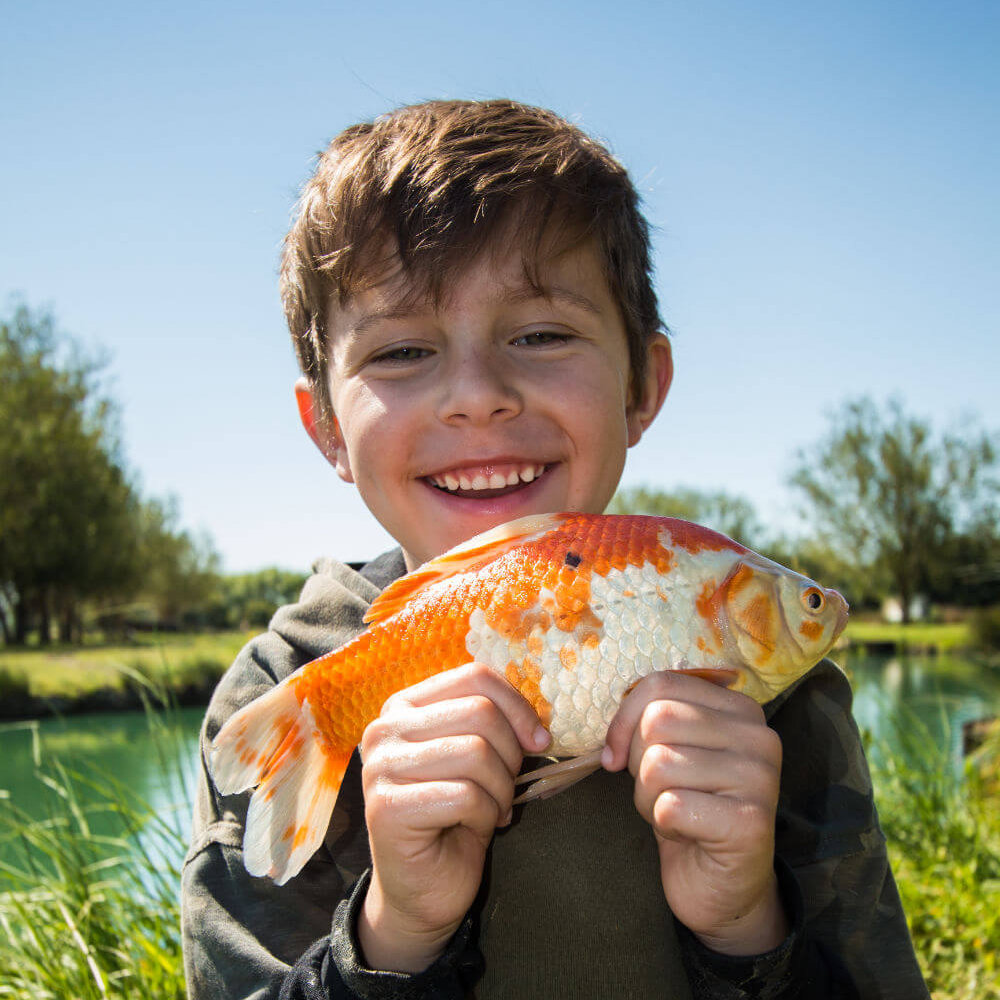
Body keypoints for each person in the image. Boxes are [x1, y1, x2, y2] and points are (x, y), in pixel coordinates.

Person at [181, 99, 928, 999]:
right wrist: (395, 935)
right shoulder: (288, 692)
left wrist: (745, 927)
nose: (478, 397)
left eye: (541, 335)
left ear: (642, 386)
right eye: (404, 350)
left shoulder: (781, 705)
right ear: (328, 428)